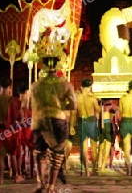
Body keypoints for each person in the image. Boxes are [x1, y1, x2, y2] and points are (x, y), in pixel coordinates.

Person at [30, 56, 76, 193]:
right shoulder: (66, 85)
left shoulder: (35, 85)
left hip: (39, 120)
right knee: (57, 154)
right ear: (57, 66)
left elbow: (28, 105)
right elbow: (73, 105)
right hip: (58, 120)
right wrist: (60, 104)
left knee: (40, 154)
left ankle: (40, 183)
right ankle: (51, 187)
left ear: (43, 66)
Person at [72, 78, 101, 176]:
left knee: (83, 147)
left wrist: (72, 125)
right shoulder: (92, 98)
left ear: (81, 87)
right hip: (91, 122)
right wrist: (99, 103)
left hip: (81, 121)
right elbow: (98, 110)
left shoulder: (77, 98)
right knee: (93, 146)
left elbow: (74, 112)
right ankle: (93, 168)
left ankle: (86, 171)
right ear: (90, 87)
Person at [119, 80, 132, 175]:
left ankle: (128, 169)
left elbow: (121, 110)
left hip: (124, 120)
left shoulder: (122, 98)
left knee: (127, 148)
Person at [18, 82, 34, 179]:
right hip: (28, 127)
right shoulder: (30, 100)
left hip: (19, 128)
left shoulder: (17, 101)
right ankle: (31, 171)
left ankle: (21, 171)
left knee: (20, 151)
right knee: (31, 151)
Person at [98, 101, 115, 172]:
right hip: (108, 126)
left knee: (102, 147)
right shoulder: (110, 107)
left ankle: (100, 164)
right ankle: (102, 165)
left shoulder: (100, 108)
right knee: (108, 147)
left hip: (103, 126)